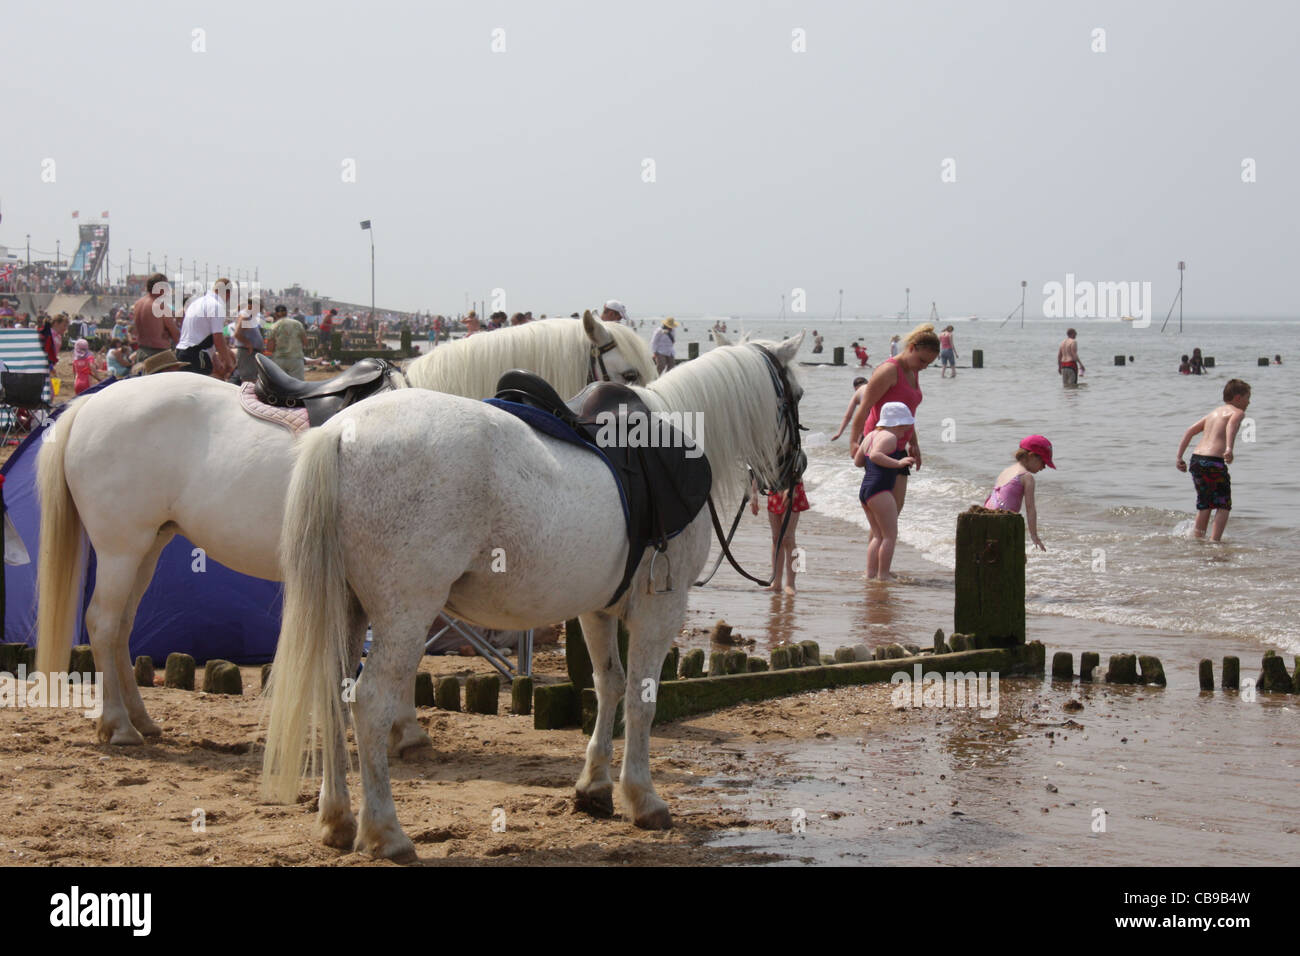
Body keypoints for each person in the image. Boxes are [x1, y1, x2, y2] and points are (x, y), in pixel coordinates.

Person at [847, 322, 940, 579]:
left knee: (892, 514)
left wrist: (915, 443)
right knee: (884, 518)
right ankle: (876, 572)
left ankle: (878, 568)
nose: (924, 366)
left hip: (900, 445)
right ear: (910, 348)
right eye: (922, 360)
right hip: (880, 445)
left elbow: (908, 415)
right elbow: (864, 408)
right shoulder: (889, 370)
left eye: (928, 364)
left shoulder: (913, 370)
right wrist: (854, 442)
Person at [1175, 379, 1251, 541]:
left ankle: (1198, 539)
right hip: (1213, 462)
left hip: (1196, 461)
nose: (1249, 402)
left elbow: (1190, 431)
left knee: (1205, 504)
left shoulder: (1213, 413)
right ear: (1238, 398)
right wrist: (1229, 448)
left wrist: (1179, 457)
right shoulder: (1237, 412)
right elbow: (1231, 426)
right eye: (1247, 397)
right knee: (1223, 505)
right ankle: (1215, 542)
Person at [854, 402, 917, 580]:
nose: (906, 431)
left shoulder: (870, 436)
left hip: (866, 490)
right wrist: (898, 463)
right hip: (880, 489)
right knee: (889, 536)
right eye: (905, 426)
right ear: (897, 423)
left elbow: (859, 462)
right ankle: (883, 576)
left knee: (878, 535)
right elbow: (875, 455)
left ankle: (870, 573)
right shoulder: (890, 437)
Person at [983, 436, 1055, 551]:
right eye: (1043, 461)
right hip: (1003, 521)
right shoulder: (1027, 477)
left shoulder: (1007, 471)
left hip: (986, 516)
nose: (1044, 467)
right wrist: (1034, 535)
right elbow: (1030, 508)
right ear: (1031, 456)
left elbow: (993, 496)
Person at [749, 476, 810, 594]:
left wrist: (791, 487)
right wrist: (754, 494)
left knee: (788, 537)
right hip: (775, 488)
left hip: (793, 486)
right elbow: (757, 468)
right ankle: (776, 583)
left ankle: (790, 584)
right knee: (776, 538)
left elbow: (799, 462)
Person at [177, 279, 236, 377]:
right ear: (228, 293)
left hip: (182, 352)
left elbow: (205, 336)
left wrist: (216, 360)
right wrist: (229, 363)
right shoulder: (216, 306)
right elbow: (218, 340)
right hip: (196, 355)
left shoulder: (196, 303)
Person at [132, 272, 180, 360]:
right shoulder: (160, 306)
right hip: (158, 354)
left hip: (142, 351)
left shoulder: (138, 304)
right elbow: (175, 334)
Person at [265, 304, 306, 379]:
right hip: (296, 358)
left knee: (281, 385)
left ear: (276, 314)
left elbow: (270, 348)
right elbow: (305, 342)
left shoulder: (273, 326)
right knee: (298, 386)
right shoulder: (297, 324)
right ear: (286, 312)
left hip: (279, 359)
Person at [231, 298, 266, 384]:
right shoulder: (245, 317)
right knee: (248, 380)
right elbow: (237, 334)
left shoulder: (249, 317)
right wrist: (248, 344)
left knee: (252, 378)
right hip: (247, 352)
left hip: (251, 352)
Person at [830, 377, 869, 441]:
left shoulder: (858, 392)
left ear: (855, 388)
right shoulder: (873, 387)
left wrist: (839, 433)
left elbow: (848, 416)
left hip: (868, 415)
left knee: (862, 438)